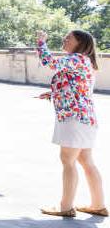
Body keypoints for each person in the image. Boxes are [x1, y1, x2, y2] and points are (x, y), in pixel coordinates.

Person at [36, 29, 106, 217]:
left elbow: (50, 62)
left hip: (74, 119)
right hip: (86, 118)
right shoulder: (84, 61)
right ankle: (98, 205)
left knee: (68, 160)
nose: (64, 39)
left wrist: (41, 42)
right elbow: (77, 88)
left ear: (80, 43)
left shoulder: (77, 58)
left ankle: (65, 207)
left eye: (69, 38)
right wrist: (53, 94)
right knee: (85, 161)